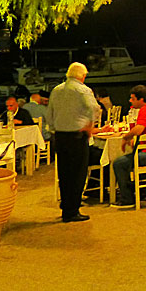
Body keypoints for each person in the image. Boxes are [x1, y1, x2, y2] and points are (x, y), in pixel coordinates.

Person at [46, 62, 99, 223]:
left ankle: (66, 208)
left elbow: (50, 113)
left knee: (64, 173)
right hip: (77, 136)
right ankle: (73, 210)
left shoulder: (56, 90)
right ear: (82, 75)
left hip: (60, 137)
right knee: (77, 174)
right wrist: (90, 125)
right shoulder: (83, 90)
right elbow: (95, 108)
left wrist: (54, 128)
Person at [112, 85, 146, 208]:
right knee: (134, 155)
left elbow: (138, 130)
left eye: (132, 99)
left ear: (141, 99)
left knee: (119, 163)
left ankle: (127, 198)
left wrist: (126, 137)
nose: (130, 101)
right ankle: (144, 190)